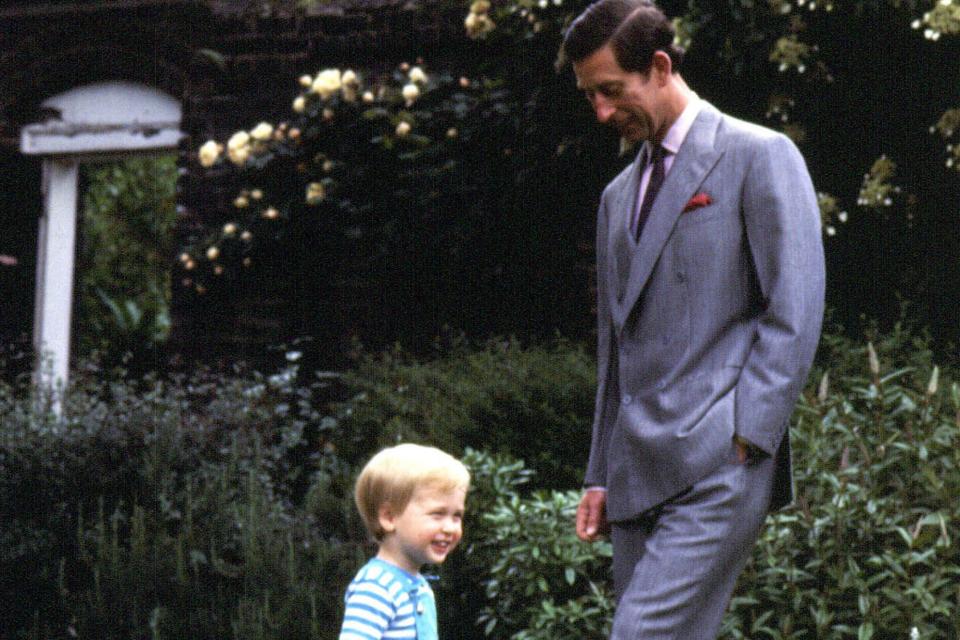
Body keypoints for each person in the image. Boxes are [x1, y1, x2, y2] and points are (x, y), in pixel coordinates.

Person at [560, 1, 825, 638]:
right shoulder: (615, 197)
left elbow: (795, 305)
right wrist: (599, 472)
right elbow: (614, 347)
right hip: (634, 471)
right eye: (589, 96)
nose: (600, 111)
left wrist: (749, 438)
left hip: (718, 461)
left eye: (610, 91)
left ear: (659, 66)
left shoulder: (759, 155)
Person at [338, 443, 470, 640]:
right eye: (437, 514)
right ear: (390, 517)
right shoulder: (376, 587)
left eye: (456, 516)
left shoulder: (420, 586)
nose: (450, 527)